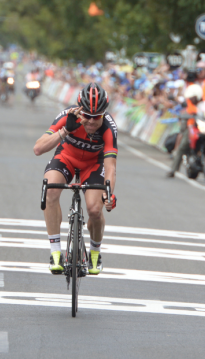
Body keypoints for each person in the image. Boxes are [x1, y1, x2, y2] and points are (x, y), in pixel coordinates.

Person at [33, 83, 117, 275]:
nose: (92, 122)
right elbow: (38, 149)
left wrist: (109, 193)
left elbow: (111, 167)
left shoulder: (108, 127)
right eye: (87, 116)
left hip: (93, 165)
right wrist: (64, 132)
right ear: (79, 110)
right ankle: (55, 252)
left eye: (97, 117)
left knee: (95, 209)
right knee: (51, 189)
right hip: (67, 158)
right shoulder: (66, 117)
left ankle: (95, 251)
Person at [167, 84, 202, 178]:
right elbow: (184, 116)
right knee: (182, 146)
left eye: (193, 97)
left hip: (204, 128)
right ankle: (173, 169)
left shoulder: (203, 105)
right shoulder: (188, 105)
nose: (191, 99)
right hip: (191, 128)